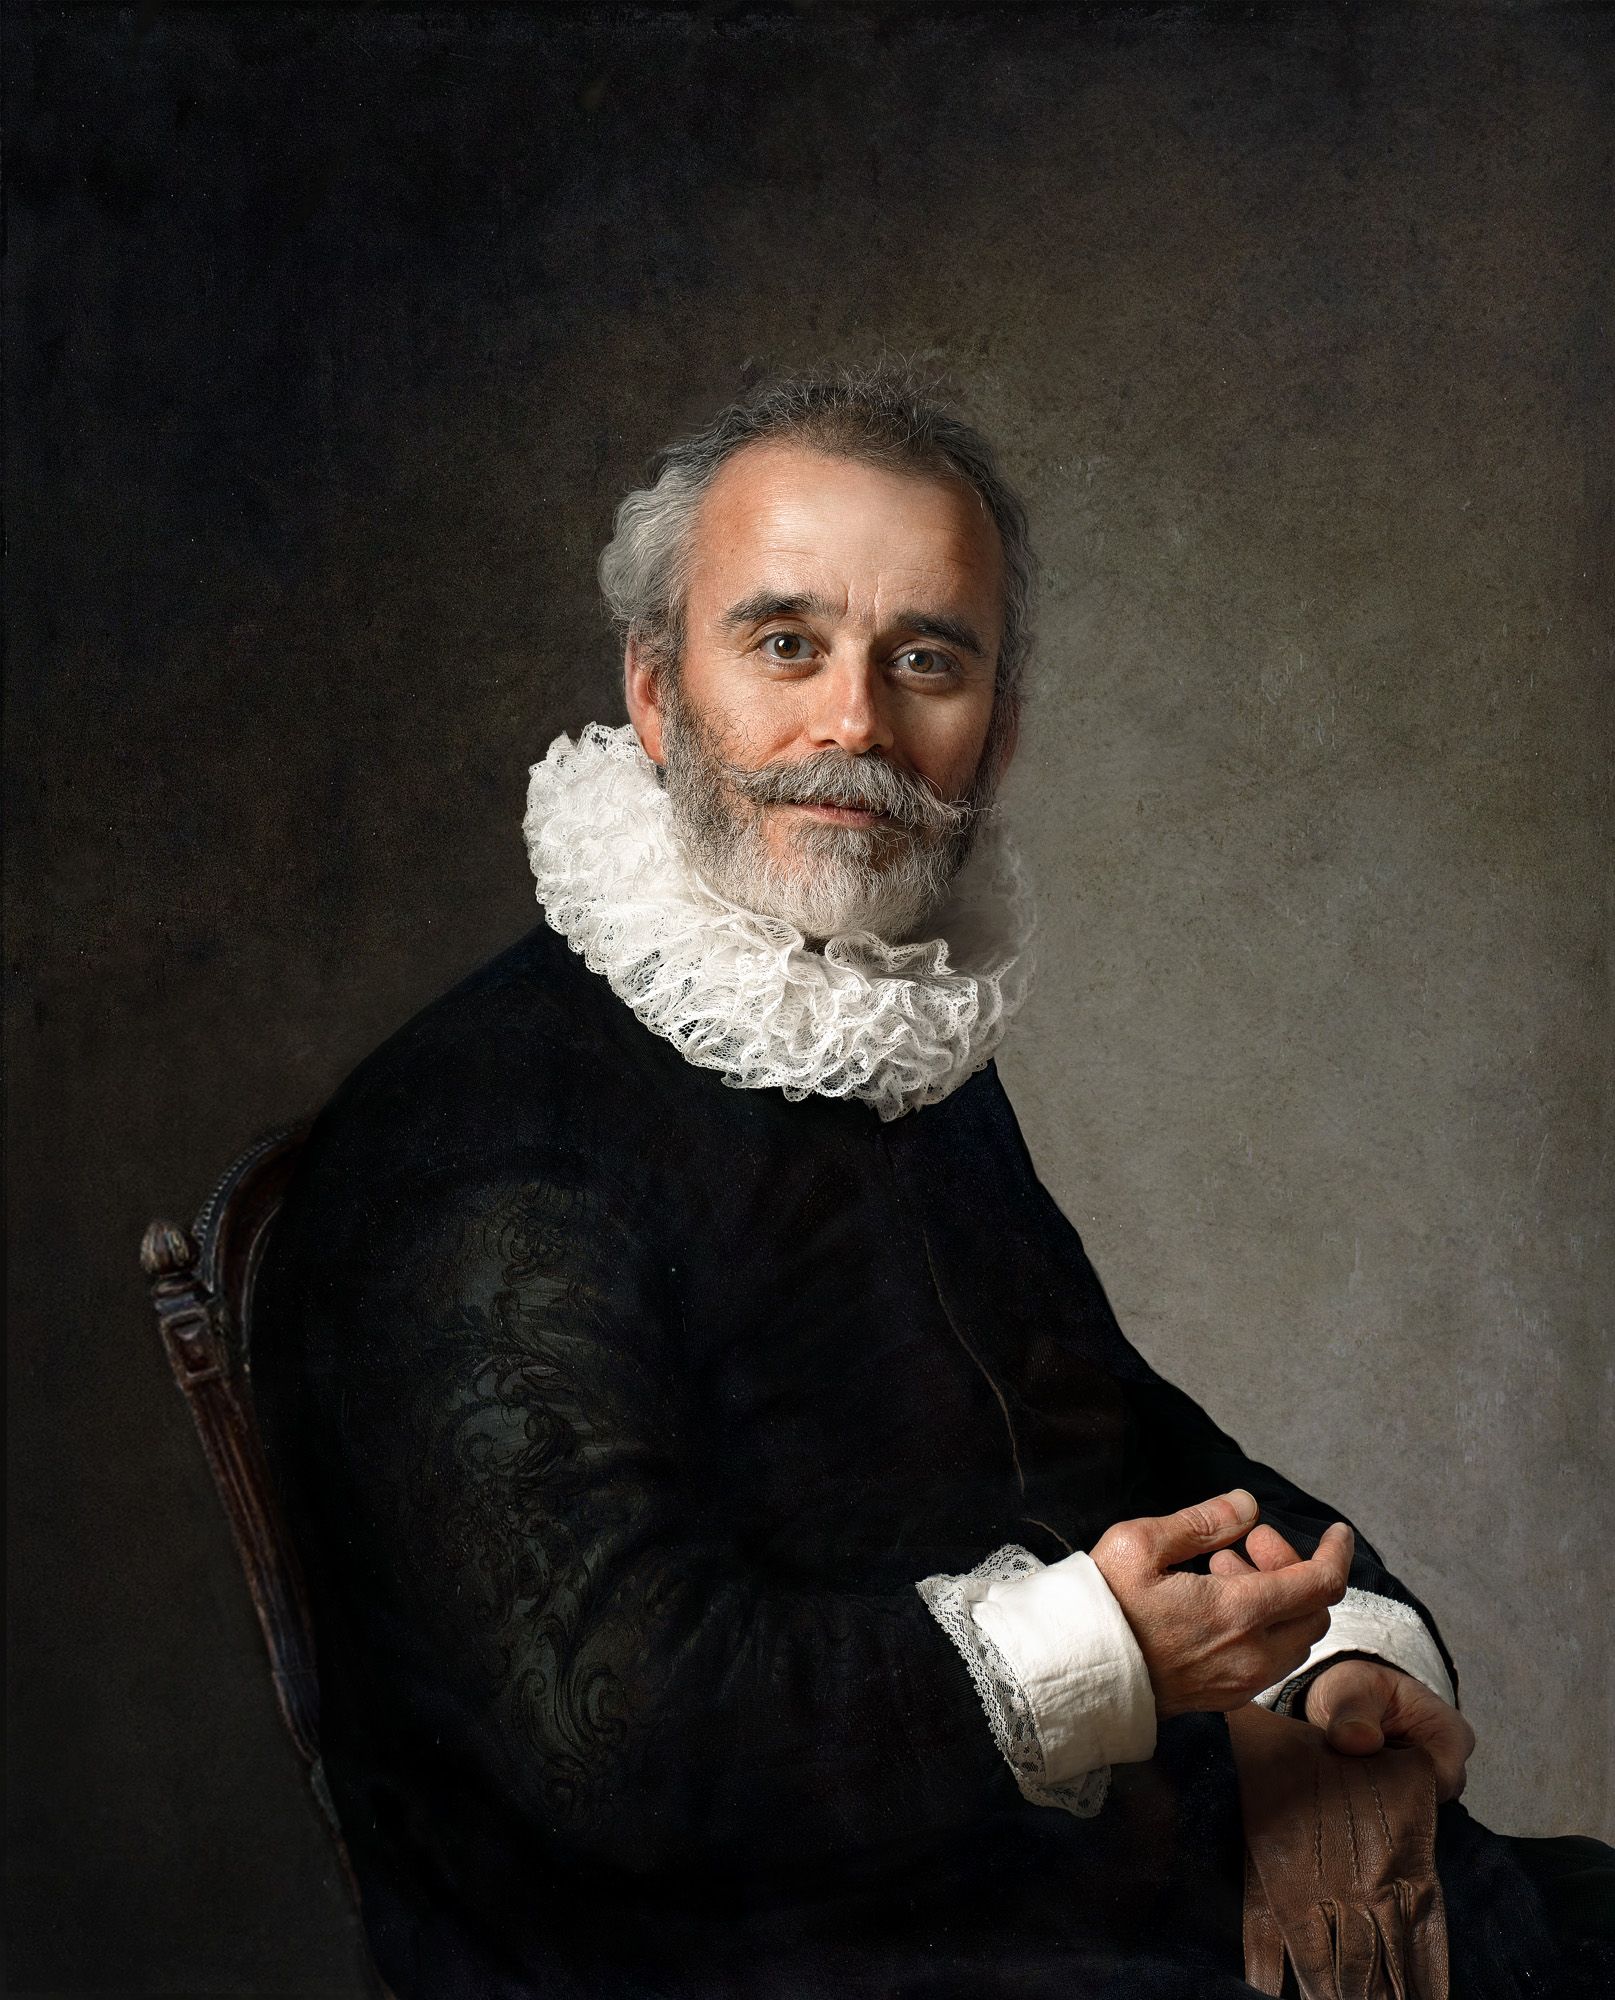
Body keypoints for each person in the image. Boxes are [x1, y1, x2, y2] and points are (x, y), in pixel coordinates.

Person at [252, 366, 1612, 1998]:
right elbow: (613, 1729)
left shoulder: (882, 1029)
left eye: (926, 660)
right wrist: (1104, 1652)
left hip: (1037, 1875)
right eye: (785, 643)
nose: (855, 725)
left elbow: (1122, 1439)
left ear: (1000, 728)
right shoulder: (488, 1122)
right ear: (659, 696)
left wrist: (1329, 1664)